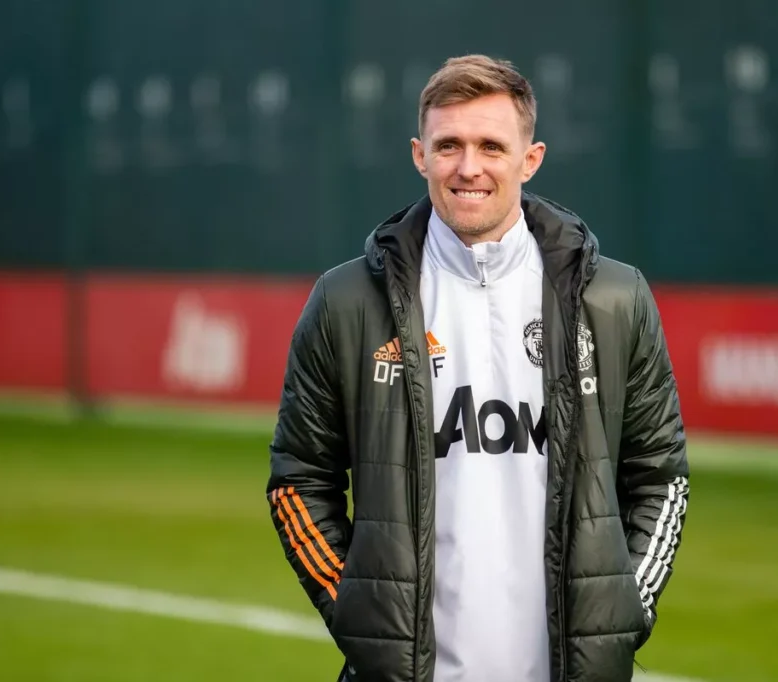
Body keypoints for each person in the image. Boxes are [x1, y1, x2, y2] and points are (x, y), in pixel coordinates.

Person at [266, 54, 689, 682]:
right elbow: (298, 480)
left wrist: (624, 609)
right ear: (419, 155)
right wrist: (361, 609)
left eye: (492, 145)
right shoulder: (346, 302)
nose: (469, 168)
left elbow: (661, 478)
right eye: (449, 145)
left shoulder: (615, 300)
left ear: (530, 158)